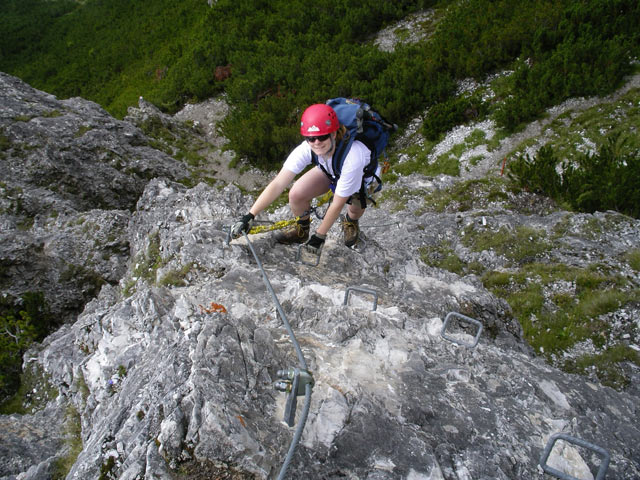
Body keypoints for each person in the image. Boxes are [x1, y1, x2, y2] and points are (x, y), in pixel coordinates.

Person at [230, 103, 379, 250]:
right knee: (296, 194)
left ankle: (351, 221)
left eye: (322, 137)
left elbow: (337, 203)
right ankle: (301, 230)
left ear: (333, 134)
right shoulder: (307, 148)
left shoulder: (353, 157)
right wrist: (250, 215)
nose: (316, 143)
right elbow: (278, 183)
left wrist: (319, 236)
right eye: (311, 138)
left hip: (361, 176)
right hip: (331, 169)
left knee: (355, 206)